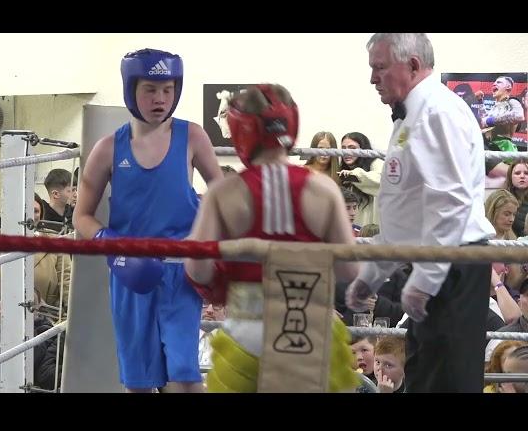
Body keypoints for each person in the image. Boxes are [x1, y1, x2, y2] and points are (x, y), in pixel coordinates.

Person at [184, 83, 359, 393]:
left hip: (247, 337)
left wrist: (222, 279)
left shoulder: (224, 193)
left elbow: (197, 270)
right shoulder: (325, 189)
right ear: (291, 126)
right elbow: (349, 271)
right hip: (313, 334)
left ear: (240, 130)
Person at [346, 33, 496, 393]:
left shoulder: (439, 112)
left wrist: (425, 280)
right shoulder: (409, 116)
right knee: (425, 380)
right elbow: (405, 211)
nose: (372, 79)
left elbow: (454, 202)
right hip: (434, 265)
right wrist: (374, 272)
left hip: (453, 265)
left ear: (412, 64)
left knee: (448, 382)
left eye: (379, 68)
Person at [73, 48, 222, 393]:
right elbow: (82, 216)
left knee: (183, 379)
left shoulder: (193, 137)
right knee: (139, 382)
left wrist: (217, 250)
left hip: (181, 274)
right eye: (151, 89)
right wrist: (110, 245)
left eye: (168, 90)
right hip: (129, 273)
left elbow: (223, 199)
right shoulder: (108, 149)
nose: (160, 99)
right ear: (131, 89)